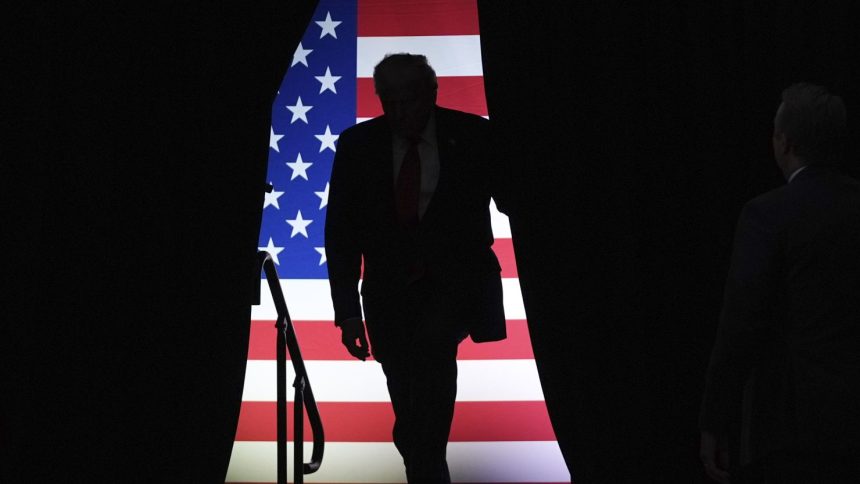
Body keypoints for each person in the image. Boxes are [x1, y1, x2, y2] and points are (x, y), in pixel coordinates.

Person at [325, 53, 507, 483]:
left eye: (408, 99)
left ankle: (426, 471)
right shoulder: (358, 146)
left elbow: (515, 198)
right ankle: (427, 470)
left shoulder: (473, 137)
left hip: (452, 292)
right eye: (388, 100)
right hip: (388, 299)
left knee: (431, 367)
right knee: (408, 397)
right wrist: (348, 311)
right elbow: (342, 235)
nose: (398, 111)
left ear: (431, 94)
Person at [699, 83, 860, 483]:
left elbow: (741, 325)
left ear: (784, 142)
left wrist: (715, 418)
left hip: (792, 426)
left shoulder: (767, 215)